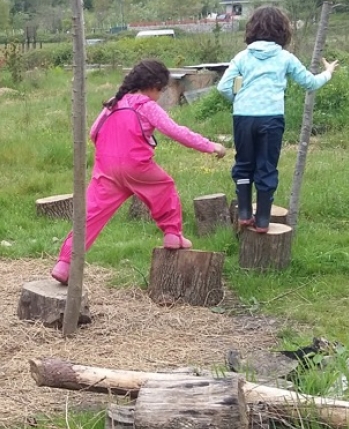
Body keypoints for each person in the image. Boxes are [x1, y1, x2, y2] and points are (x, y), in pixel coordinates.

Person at [50, 59, 226, 285]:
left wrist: (110, 151)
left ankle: (65, 264)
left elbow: (94, 132)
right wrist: (210, 146)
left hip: (106, 170)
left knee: (90, 216)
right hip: (136, 166)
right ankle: (173, 235)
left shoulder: (114, 103)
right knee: (164, 187)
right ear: (153, 85)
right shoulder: (146, 105)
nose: (159, 95)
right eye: (160, 90)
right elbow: (174, 130)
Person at [216, 6, 337, 232]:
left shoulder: (242, 57)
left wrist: (238, 96)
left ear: (252, 29)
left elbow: (224, 87)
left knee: (244, 164)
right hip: (271, 119)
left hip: (243, 118)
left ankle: (243, 212)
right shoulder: (285, 58)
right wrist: (328, 72)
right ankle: (262, 220)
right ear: (283, 31)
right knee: (266, 166)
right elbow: (310, 83)